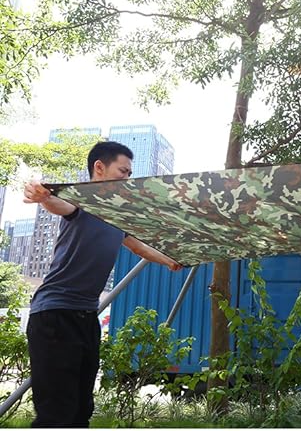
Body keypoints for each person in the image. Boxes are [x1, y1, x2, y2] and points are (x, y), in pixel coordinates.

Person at [23, 141, 182, 428]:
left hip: (86, 318)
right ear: (99, 167)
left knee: (81, 410)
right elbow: (57, 203)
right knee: (56, 413)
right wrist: (42, 195)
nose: (127, 178)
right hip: (55, 316)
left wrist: (170, 261)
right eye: (123, 171)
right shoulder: (81, 204)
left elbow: (140, 248)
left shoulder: (115, 216)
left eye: (130, 173)